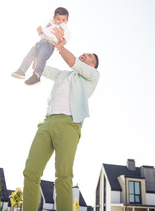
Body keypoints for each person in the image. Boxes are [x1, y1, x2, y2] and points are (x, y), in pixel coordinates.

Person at [22, 27, 99, 211]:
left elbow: (72, 61)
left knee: (63, 176)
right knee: (30, 172)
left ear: (93, 64)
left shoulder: (93, 76)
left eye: (90, 56)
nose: (85, 54)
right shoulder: (63, 74)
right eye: (85, 53)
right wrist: (42, 44)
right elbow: (39, 67)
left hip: (69, 125)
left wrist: (59, 45)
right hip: (47, 123)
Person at [11, 7, 71, 85]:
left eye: (63, 20)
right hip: (40, 42)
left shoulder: (64, 29)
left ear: (67, 20)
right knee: (29, 55)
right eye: (58, 19)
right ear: (54, 18)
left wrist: (59, 45)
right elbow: (43, 34)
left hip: (49, 44)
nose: (60, 22)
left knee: (41, 59)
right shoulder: (50, 24)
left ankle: (36, 75)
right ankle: (22, 70)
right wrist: (39, 32)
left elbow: (65, 39)